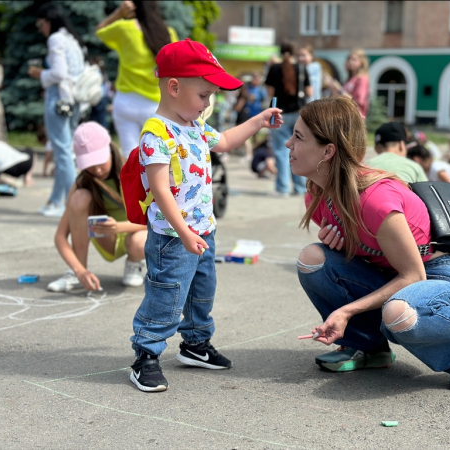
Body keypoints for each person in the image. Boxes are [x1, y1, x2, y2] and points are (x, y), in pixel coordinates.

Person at [292, 97, 450, 392]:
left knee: (398, 312)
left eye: (298, 137)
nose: (288, 144)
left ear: (328, 150)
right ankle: (368, 347)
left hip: (434, 277)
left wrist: (345, 312)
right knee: (313, 258)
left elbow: (413, 276)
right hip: (393, 277)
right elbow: (370, 257)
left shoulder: (376, 200)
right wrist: (343, 249)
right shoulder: (317, 193)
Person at [129, 39, 283, 392]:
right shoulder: (156, 133)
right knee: (167, 294)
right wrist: (183, 232)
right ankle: (146, 355)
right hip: (173, 237)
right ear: (173, 86)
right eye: (203, 95)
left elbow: (225, 141)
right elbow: (160, 189)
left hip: (203, 231)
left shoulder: (195, 125)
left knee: (202, 291)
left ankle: (195, 344)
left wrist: (258, 120)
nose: (207, 104)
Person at [49, 122, 146, 292]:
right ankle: (78, 270)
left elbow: (157, 221)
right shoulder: (83, 181)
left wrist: (118, 227)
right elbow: (60, 237)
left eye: (100, 160)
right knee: (79, 197)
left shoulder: (133, 170)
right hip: (107, 238)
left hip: (136, 234)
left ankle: (134, 262)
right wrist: (80, 271)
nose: (97, 169)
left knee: (138, 243)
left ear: (110, 150)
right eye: (89, 164)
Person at [96, 0, 178, 158]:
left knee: (130, 158)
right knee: (158, 159)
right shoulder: (168, 33)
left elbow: (100, 31)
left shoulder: (124, 29)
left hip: (125, 103)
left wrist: (119, 13)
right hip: (156, 106)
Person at [29, 4, 85, 218]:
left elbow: (59, 73)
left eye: (40, 23)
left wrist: (39, 74)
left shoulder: (55, 39)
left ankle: (74, 204)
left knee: (62, 154)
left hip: (58, 100)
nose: (40, 27)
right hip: (73, 100)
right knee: (65, 153)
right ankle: (56, 201)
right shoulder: (72, 39)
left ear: (48, 21)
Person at [265, 41, 312, 196]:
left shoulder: (274, 68)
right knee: (298, 150)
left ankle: (283, 187)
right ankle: (299, 187)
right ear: (294, 53)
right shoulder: (302, 68)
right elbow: (309, 92)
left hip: (279, 114)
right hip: (299, 114)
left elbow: (270, 92)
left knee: (280, 151)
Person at [326, 49, 370, 119]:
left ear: (361, 62)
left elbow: (357, 101)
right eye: (349, 59)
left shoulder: (362, 79)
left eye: (354, 59)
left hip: (355, 117)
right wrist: (332, 87)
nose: (350, 62)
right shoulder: (349, 79)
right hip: (344, 115)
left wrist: (339, 88)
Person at [234, 73, 267, 161]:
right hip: (248, 113)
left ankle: (251, 152)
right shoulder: (248, 89)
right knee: (249, 134)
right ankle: (249, 151)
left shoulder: (260, 90)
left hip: (256, 113)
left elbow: (263, 100)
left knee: (252, 135)